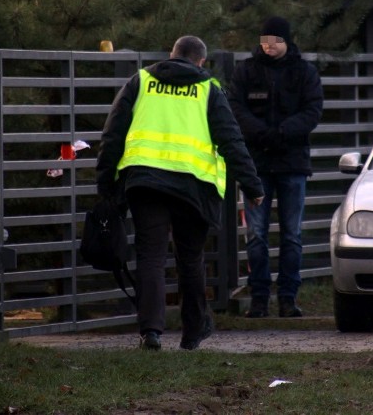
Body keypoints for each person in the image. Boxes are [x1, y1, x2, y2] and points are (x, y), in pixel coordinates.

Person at [96, 35, 264, 351]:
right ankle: (192, 334)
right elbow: (231, 141)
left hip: (146, 183)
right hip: (194, 186)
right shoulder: (208, 89)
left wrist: (106, 185)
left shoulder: (142, 80)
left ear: (171, 55)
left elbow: (113, 133)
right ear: (201, 61)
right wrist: (253, 186)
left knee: (151, 257)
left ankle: (151, 332)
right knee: (190, 259)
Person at [227, 16, 324, 318]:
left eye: (275, 41)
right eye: (265, 41)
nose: (269, 47)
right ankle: (259, 299)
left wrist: (282, 132)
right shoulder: (246, 71)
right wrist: (260, 133)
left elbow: (313, 110)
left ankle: (287, 298)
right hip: (256, 165)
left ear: (286, 41)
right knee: (256, 234)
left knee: (291, 234)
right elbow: (235, 107)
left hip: (292, 163)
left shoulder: (304, 72)